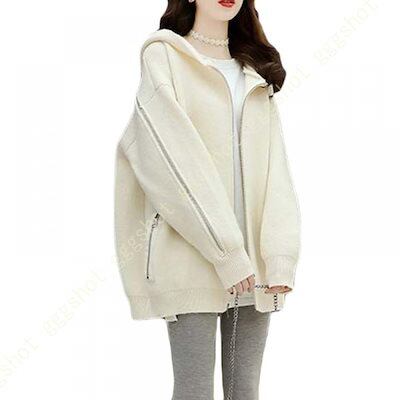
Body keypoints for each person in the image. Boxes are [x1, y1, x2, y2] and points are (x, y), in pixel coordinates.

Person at [114, 0, 301, 398]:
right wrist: (226, 252)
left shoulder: (255, 70)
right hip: (191, 256)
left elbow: (276, 168)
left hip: (254, 264)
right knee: (194, 391)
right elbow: (171, 162)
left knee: (244, 391)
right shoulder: (164, 57)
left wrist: (279, 255)